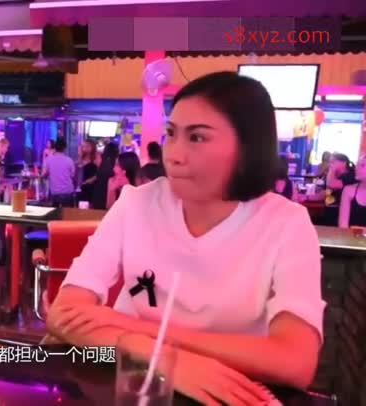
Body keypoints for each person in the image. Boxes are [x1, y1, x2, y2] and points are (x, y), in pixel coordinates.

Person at [46, 72, 323, 405]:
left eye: (197, 137)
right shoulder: (136, 203)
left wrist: (131, 329)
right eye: (171, 134)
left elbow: (295, 361)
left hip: (229, 395)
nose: (174, 155)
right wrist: (161, 358)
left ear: (247, 148)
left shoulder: (286, 223)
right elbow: (64, 313)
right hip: (133, 387)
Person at [42, 138, 76, 207]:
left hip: (54, 192)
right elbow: (72, 175)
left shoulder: (48, 159)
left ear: (55, 147)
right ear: (64, 148)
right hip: (68, 192)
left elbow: (44, 174)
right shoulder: (69, 160)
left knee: (55, 213)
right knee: (68, 213)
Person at [338, 154, 366, 228]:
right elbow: (343, 225)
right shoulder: (348, 190)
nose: (356, 168)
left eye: (362, 165)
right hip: (351, 235)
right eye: (357, 164)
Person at [90, 142, 119, 210]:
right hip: (111, 191)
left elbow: (97, 173)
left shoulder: (101, 159)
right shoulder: (117, 162)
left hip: (99, 190)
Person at [77, 139, 98, 203]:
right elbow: (78, 169)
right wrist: (80, 155)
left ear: (92, 147)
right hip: (82, 186)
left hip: (92, 187)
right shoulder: (81, 158)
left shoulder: (96, 157)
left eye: (87, 146)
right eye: (83, 146)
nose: (84, 148)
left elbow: (100, 172)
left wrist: (92, 179)